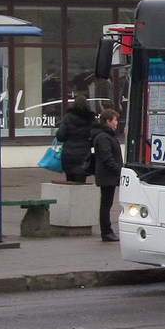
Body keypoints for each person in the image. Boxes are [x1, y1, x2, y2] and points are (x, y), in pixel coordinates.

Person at [91, 108, 123, 242]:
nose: (117, 124)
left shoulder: (107, 135)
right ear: (108, 121)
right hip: (107, 175)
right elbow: (106, 157)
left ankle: (107, 230)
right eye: (115, 121)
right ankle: (106, 231)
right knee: (106, 204)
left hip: (109, 175)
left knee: (107, 203)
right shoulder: (103, 137)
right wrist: (118, 170)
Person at [56, 97, 96, 183]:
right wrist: (88, 143)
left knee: (70, 182)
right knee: (81, 182)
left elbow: (60, 136)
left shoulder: (67, 117)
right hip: (84, 155)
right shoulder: (91, 119)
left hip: (68, 154)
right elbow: (95, 137)